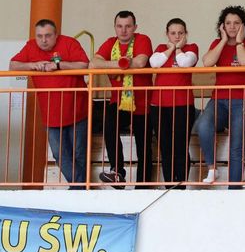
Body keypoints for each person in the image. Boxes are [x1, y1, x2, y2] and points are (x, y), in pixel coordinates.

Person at [10, 19, 89, 189]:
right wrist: (32, 65)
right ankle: (81, 188)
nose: (43, 40)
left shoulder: (69, 43)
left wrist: (58, 65)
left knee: (79, 154)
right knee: (59, 154)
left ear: (56, 35)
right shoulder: (30, 46)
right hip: (50, 113)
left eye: (48, 36)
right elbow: (13, 65)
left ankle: (79, 189)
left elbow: (84, 64)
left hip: (78, 109)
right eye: (39, 36)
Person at [197, 6, 245, 189]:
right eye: (228, 23)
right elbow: (207, 62)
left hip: (244, 102)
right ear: (222, 26)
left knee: (236, 147)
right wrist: (223, 40)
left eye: (236, 23)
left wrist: (239, 42)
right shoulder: (218, 43)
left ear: (243, 26)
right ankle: (212, 168)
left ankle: (234, 190)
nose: (232, 27)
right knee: (203, 125)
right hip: (219, 100)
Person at [90, 10, 153, 189]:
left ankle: (143, 188)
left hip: (143, 103)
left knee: (144, 147)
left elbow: (140, 62)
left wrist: (112, 65)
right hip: (118, 102)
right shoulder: (110, 43)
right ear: (115, 27)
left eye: (128, 26)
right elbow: (93, 63)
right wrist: (123, 63)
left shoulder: (142, 39)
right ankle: (117, 172)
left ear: (135, 27)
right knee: (109, 125)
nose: (123, 30)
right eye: (119, 26)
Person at [149, 18, 198, 188]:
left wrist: (177, 48)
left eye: (180, 33)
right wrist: (171, 49)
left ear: (186, 34)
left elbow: (185, 63)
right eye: (173, 33)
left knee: (181, 146)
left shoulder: (191, 48)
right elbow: (154, 63)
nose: (177, 36)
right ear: (167, 34)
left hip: (183, 105)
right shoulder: (160, 49)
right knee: (165, 147)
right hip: (159, 106)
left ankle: (181, 184)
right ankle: (169, 185)